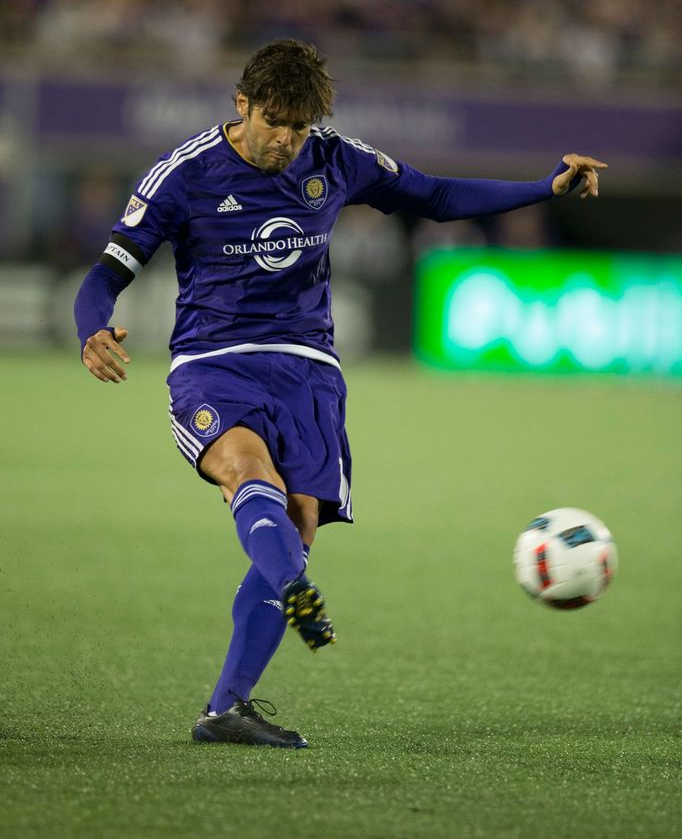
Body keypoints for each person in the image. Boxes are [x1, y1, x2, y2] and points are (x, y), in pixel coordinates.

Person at [74, 39, 606, 749]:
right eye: (273, 121)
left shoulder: (336, 159)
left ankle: (227, 707)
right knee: (245, 471)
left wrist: (545, 187)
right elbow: (107, 273)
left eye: (298, 126)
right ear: (242, 104)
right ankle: (293, 589)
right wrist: (91, 329)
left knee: (294, 526)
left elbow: (438, 196)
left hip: (309, 372)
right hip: (214, 361)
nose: (286, 140)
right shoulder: (185, 173)